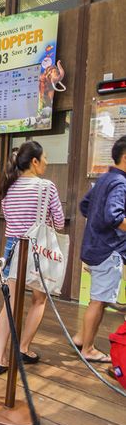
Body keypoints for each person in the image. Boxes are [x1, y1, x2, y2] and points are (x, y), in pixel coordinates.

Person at [0, 141, 65, 374]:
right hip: (38, 249)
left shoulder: (8, 187)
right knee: (38, 300)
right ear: (34, 162)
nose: (46, 162)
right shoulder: (46, 187)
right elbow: (60, 222)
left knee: (10, 304)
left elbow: (9, 220)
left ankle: (0, 359)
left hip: (13, 248)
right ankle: (23, 348)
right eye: (44, 158)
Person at [72, 136, 126, 362]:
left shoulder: (105, 178)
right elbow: (115, 216)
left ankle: (80, 338)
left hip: (94, 247)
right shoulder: (122, 183)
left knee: (97, 297)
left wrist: (96, 223)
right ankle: (89, 348)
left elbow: (85, 205)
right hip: (108, 250)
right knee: (99, 300)